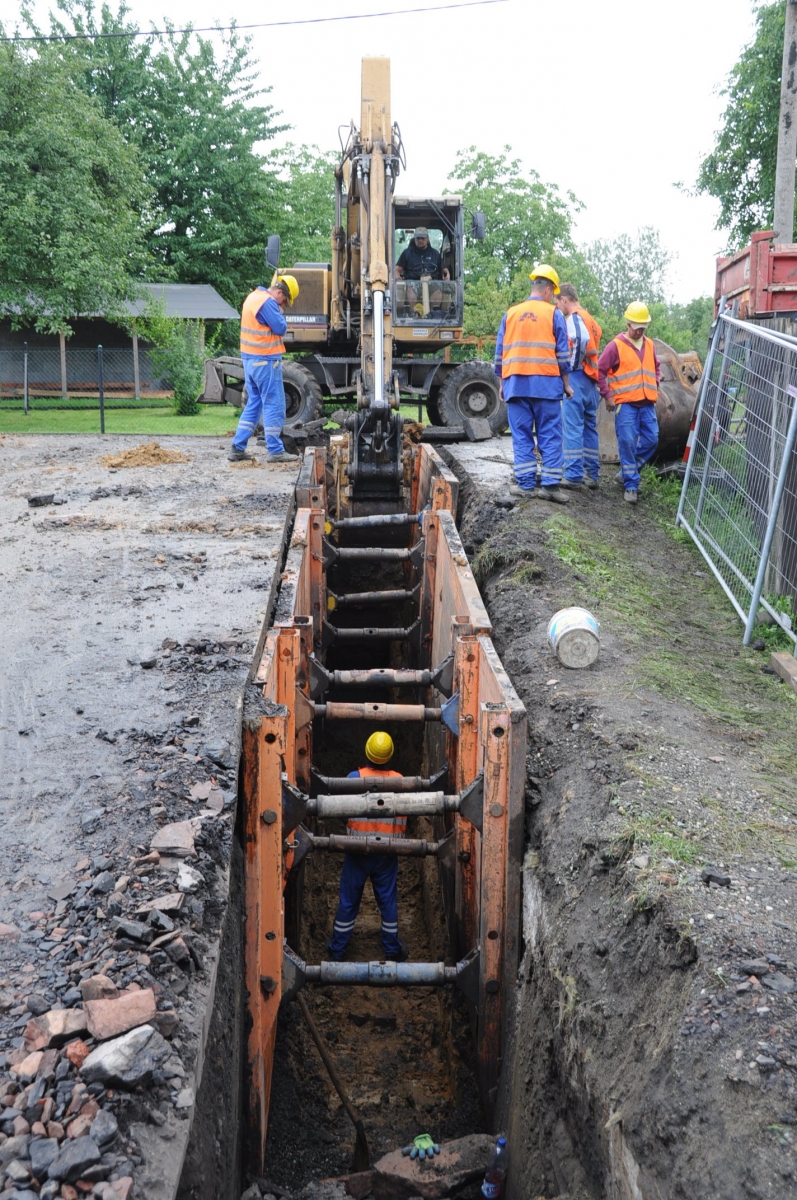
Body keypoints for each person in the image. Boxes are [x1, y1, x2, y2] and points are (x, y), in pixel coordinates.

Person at [494, 264, 573, 505]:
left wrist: (501, 383)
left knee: (521, 435)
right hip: (547, 386)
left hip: (516, 384)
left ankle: (526, 486)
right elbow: (562, 354)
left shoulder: (511, 313)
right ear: (549, 290)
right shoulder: (554, 314)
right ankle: (549, 486)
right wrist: (567, 384)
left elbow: (499, 354)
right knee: (550, 434)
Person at [328, 731, 409, 963]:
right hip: (386, 853)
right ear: (391, 755)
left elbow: (342, 812)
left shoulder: (354, 778)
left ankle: (337, 950)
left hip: (357, 851)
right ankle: (392, 950)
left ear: (367, 752)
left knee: (348, 901)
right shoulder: (400, 780)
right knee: (388, 902)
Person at [229, 273, 301, 464]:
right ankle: (276, 451)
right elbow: (280, 328)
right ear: (279, 291)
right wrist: (281, 316)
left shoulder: (253, 297)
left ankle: (237, 448)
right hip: (265, 361)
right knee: (273, 403)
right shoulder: (268, 302)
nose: (283, 305)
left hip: (250, 361)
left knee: (254, 404)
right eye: (284, 300)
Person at [597, 302, 661, 505]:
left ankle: (626, 471)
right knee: (627, 443)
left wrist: (655, 382)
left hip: (647, 403)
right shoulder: (615, 346)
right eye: (636, 326)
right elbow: (600, 371)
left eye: (643, 326)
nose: (640, 330)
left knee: (652, 440)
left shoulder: (649, 345)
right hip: (625, 405)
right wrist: (607, 395)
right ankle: (631, 485)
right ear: (628, 323)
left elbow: (656, 367)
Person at [557, 283, 603, 491]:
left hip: (577, 377)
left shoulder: (574, 317)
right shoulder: (590, 318)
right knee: (588, 428)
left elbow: (580, 339)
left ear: (564, 300)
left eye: (558, 304)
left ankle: (574, 474)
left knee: (573, 427)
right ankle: (591, 474)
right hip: (591, 382)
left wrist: (571, 367)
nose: (559, 308)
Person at [395, 227, 450, 312]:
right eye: (418, 238)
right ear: (415, 239)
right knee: (410, 291)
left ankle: (433, 315)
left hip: (431, 282)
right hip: (413, 283)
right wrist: (398, 277)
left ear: (427, 239)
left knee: (438, 291)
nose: (420, 240)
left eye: (422, 238)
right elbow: (397, 270)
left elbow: (444, 269)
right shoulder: (407, 253)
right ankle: (413, 314)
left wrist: (446, 274)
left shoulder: (435, 254)